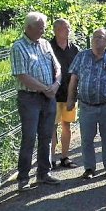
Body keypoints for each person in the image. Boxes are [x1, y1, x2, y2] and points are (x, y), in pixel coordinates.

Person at [66, 28, 106, 180]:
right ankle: (89, 168)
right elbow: (73, 79)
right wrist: (70, 99)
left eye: (101, 37)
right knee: (87, 139)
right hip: (86, 106)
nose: (96, 40)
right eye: (95, 37)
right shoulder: (81, 56)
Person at [10, 12, 62, 190]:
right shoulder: (18, 47)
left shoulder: (45, 44)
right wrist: (45, 89)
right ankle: (23, 178)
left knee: (47, 136)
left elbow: (57, 67)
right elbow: (22, 75)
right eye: (40, 28)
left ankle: (43, 173)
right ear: (28, 28)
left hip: (49, 96)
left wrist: (56, 84)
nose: (43, 31)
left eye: (43, 28)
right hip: (30, 98)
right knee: (29, 137)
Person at [50, 18, 80, 169]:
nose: (68, 30)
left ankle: (65, 157)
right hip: (52, 94)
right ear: (56, 30)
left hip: (70, 94)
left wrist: (73, 94)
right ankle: (50, 159)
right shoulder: (48, 47)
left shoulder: (74, 49)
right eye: (64, 28)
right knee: (52, 127)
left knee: (66, 125)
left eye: (68, 27)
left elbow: (78, 71)